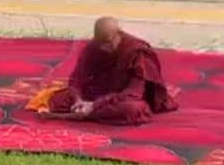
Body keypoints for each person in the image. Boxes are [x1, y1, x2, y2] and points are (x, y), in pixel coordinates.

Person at [29, 17, 177, 125]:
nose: (105, 48)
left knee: (134, 109)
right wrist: (78, 100)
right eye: (102, 44)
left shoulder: (136, 50)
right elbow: (77, 79)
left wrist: (94, 105)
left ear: (119, 33)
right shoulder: (94, 47)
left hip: (122, 98)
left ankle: (77, 116)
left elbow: (133, 92)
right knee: (57, 99)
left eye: (109, 43)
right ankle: (84, 112)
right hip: (95, 96)